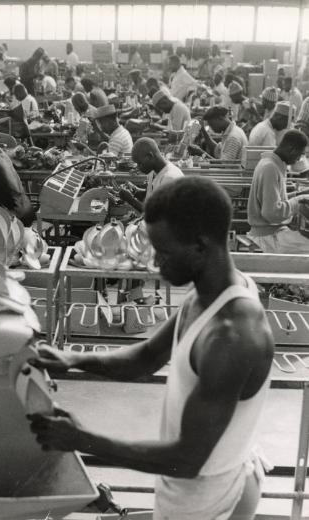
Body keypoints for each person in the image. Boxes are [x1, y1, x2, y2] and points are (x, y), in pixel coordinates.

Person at [28, 176, 273, 520]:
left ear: (201, 247)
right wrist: (71, 359)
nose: (155, 264)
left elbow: (186, 460)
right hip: (192, 489)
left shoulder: (231, 337)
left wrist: (82, 439)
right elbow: (144, 359)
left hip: (213, 499)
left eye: (164, 252)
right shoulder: (208, 293)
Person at [247, 130, 309, 254]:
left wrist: (299, 195)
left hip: (273, 232)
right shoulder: (270, 168)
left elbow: (275, 199)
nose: (298, 159)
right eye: (300, 155)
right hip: (269, 238)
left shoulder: (272, 164)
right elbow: (272, 213)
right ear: (291, 149)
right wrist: (298, 201)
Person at [118, 137, 183, 212]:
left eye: (140, 163)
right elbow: (151, 196)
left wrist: (131, 200)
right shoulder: (153, 171)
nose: (138, 167)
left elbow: (156, 216)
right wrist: (135, 191)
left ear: (150, 156)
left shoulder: (169, 179)